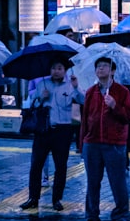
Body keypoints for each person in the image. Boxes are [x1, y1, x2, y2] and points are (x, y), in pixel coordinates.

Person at [19, 59, 84, 211]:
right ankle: (33, 198)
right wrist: (40, 97)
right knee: (36, 166)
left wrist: (76, 87)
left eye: (59, 68)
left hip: (63, 130)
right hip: (43, 130)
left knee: (60, 167)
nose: (56, 71)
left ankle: (57, 199)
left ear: (65, 70)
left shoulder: (71, 85)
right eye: (53, 68)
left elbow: (83, 101)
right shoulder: (42, 84)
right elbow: (32, 105)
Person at [80, 56, 130, 221]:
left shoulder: (122, 92)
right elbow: (85, 119)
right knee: (92, 181)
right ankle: (91, 215)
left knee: (117, 181)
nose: (101, 69)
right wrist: (82, 143)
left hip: (115, 143)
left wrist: (114, 106)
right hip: (93, 142)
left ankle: (121, 215)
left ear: (113, 71)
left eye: (105, 66)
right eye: (98, 66)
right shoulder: (91, 92)